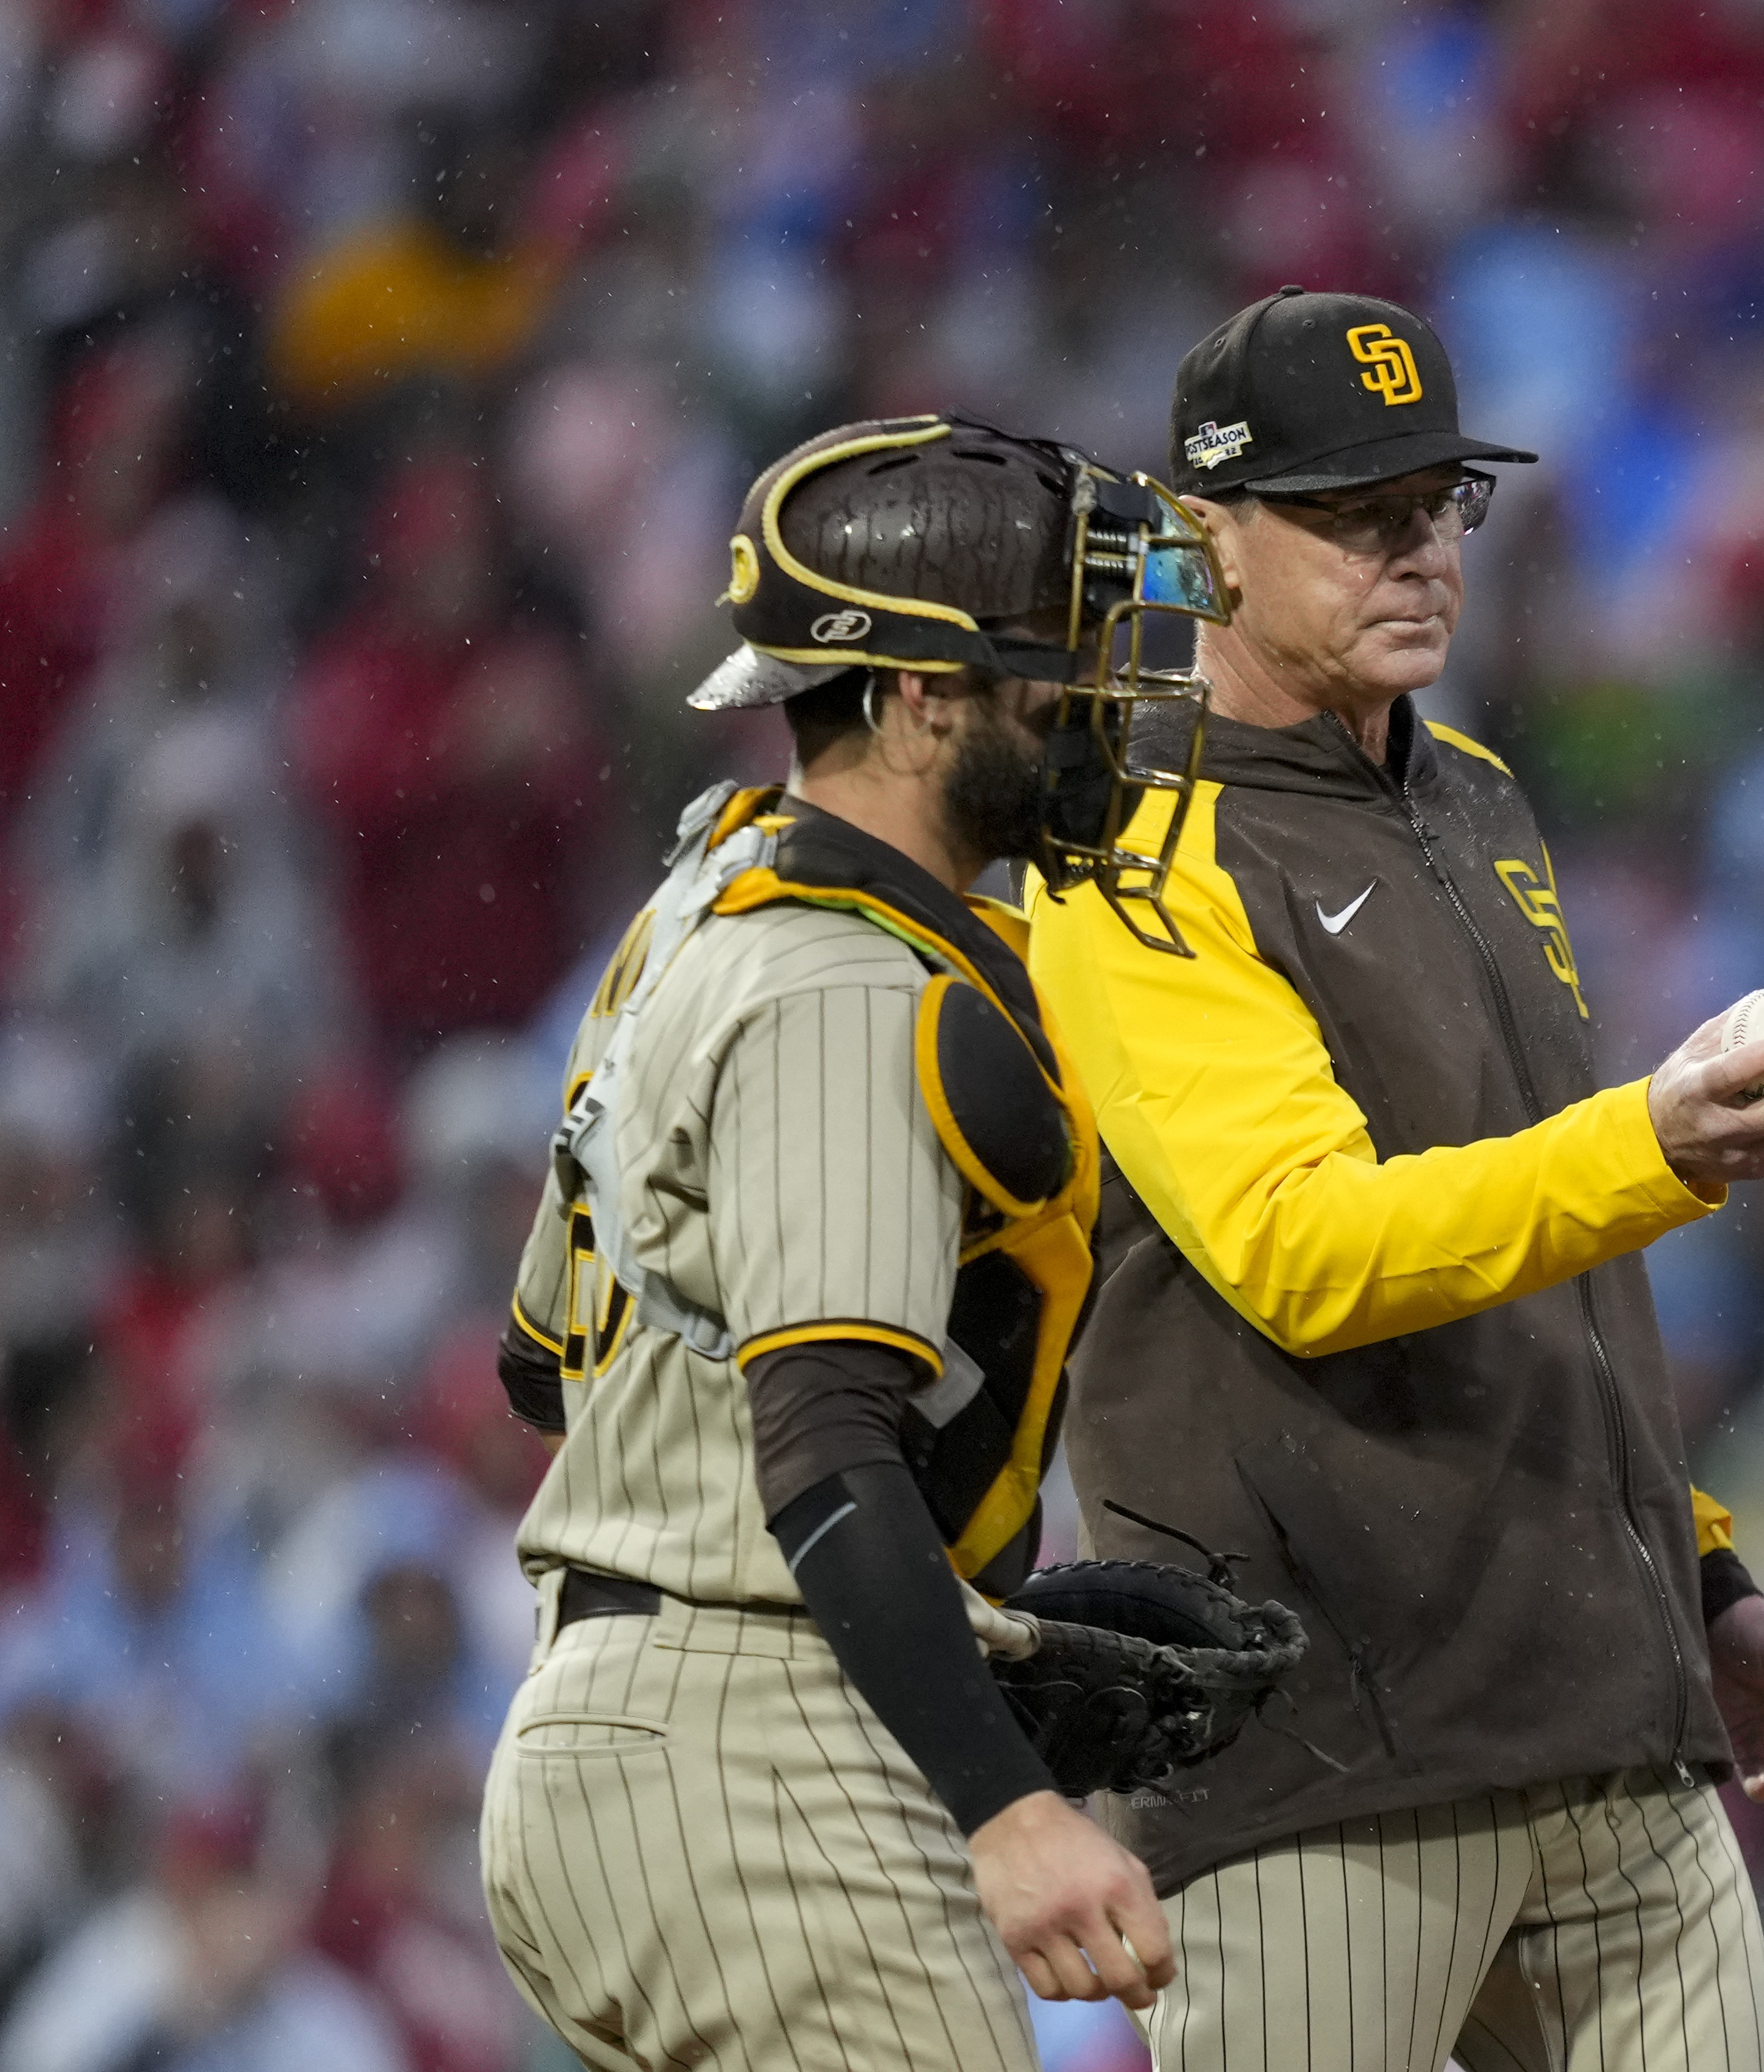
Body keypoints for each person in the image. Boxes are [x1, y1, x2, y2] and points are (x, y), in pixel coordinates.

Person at [1030, 287, 1764, 2071]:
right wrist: (1649, 1143)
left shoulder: (1477, 793)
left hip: (1606, 1732)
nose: (1415, 553)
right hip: (1331, 1757)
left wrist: (1705, 1587)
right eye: (1353, 516)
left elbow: (1554, 1273)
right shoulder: (1132, 845)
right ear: (1205, 537)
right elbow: (1301, 1250)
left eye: (1437, 505)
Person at [478, 415, 1232, 2069]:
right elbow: (820, 1450)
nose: (1109, 708)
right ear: (918, 695)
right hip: (756, 1767)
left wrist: (970, 1633)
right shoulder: (844, 984)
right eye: (1063, 668)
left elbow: (548, 1366)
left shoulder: (707, 890)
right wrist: (1007, 1801)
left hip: (641, 1741)